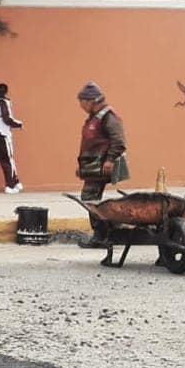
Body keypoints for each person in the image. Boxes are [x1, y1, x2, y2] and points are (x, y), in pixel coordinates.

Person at [75, 81, 128, 248]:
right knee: (92, 200)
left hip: (102, 166)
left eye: (82, 102)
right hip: (92, 166)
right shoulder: (95, 118)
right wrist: (82, 167)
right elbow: (90, 144)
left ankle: (101, 236)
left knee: (90, 199)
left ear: (91, 101)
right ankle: (107, 232)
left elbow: (118, 141)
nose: (81, 106)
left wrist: (110, 160)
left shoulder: (108, 117)